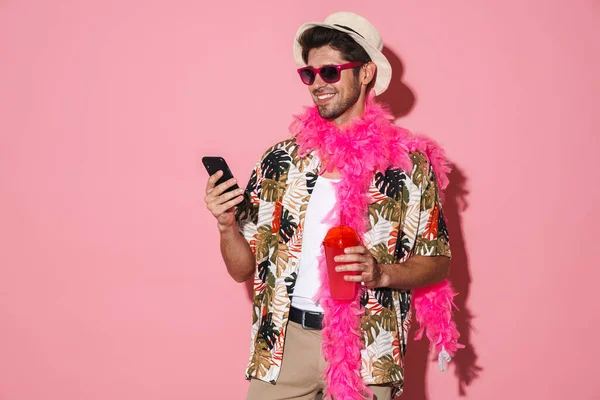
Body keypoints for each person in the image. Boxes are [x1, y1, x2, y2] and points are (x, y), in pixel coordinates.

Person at [204, 11, 459, 400]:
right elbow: (242, 270)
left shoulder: (408, 164)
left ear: (367, 73)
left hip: (368, 346)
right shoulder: (279, 160)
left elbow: (437, 259)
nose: (317, 84)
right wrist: (225, 226)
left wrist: (382, 274)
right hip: (283, 346)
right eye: (309, 74)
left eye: (330, 72)